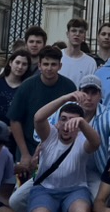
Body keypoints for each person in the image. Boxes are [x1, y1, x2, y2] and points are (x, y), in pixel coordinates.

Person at [28, 97, 102, 212]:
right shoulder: (49, 134)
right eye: (63, 119)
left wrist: (82, 122)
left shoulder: (82, 139)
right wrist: (67, 98)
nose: (66, 125)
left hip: (75, 189)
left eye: (72, 121)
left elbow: (96, 142)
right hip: (45, 189)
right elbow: (38, 117)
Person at [7, 46, 77, 178]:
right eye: (45, 64)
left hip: (59, 149)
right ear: (39, 65)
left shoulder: (69, 86)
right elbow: (15, 120)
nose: (49, 68)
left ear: (60, 66)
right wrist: (24, 153)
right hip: (29, 147)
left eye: (53, 64)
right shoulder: (27, 86)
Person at [62, 19, 102, 87]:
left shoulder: (90, 63)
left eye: (81, 32)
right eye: (73, 31)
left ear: (84, 36)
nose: (77, 34)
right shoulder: (58, 56)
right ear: (67, 34)